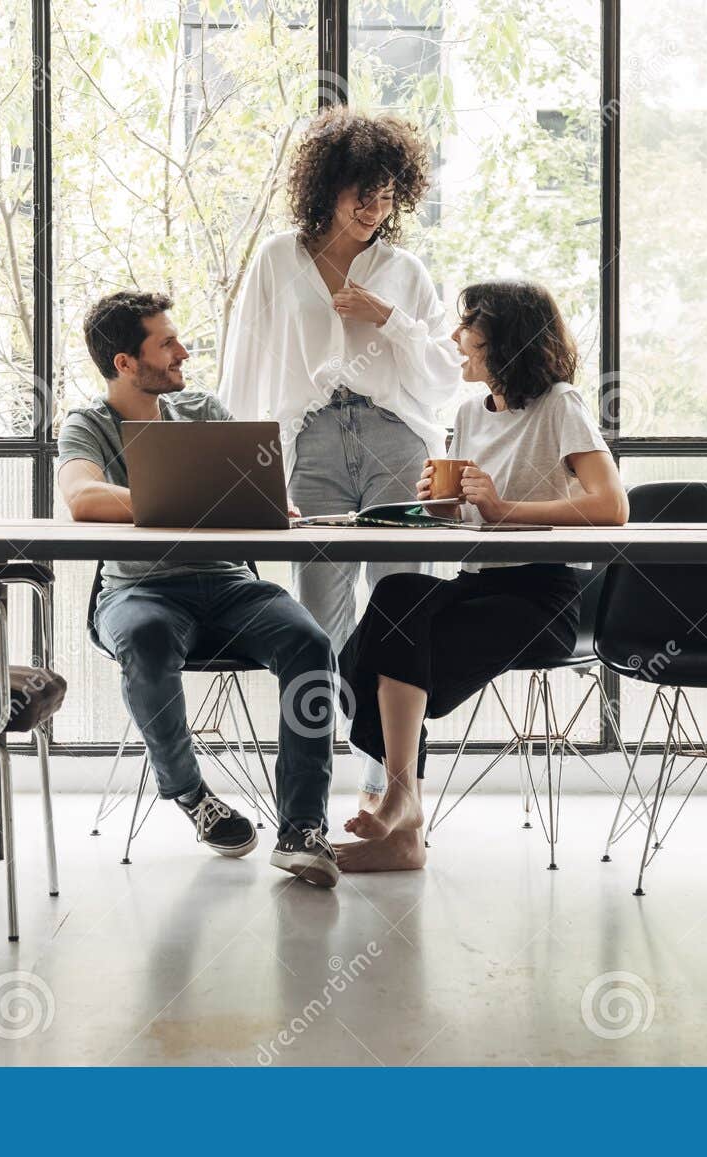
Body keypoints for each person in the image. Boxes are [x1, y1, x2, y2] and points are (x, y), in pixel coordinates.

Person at [335, 280, 630, 873]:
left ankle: (402, 812)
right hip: (478, 585)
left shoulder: (560, 405)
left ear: (507, 338)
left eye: (468, 325)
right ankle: (404, 814)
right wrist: (436, 505)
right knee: (395, 598)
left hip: (541, 596)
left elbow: (611, 506)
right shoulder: (470, 412)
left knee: (382, 654)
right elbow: (470, 513)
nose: (455, 337)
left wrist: (504, 511)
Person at [217, 107, 464, 805]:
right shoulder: (278, 259)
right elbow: (247, 369)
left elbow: (445, 376)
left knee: (400, 610)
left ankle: (391, 785)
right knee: (316, 617)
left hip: (396, 440)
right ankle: (309, 791)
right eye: (362, 192)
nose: (373, 209)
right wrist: (249, 467)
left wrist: (390, 319)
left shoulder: (405, 270)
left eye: (387, 195)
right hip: (312, 444)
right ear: (326, 187)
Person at [57, 290, 340, 888]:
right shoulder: (89, 423)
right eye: (166, 343)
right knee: (149, 640)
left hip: (230, 584)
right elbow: (82, 498)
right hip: (140, 593)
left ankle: (303, 828)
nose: (183, 352)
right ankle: (191, 795)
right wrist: (186, 502)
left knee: (310, 644)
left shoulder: (201, 408)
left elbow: (251, 491)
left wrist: (264, 504)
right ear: (125, 363)